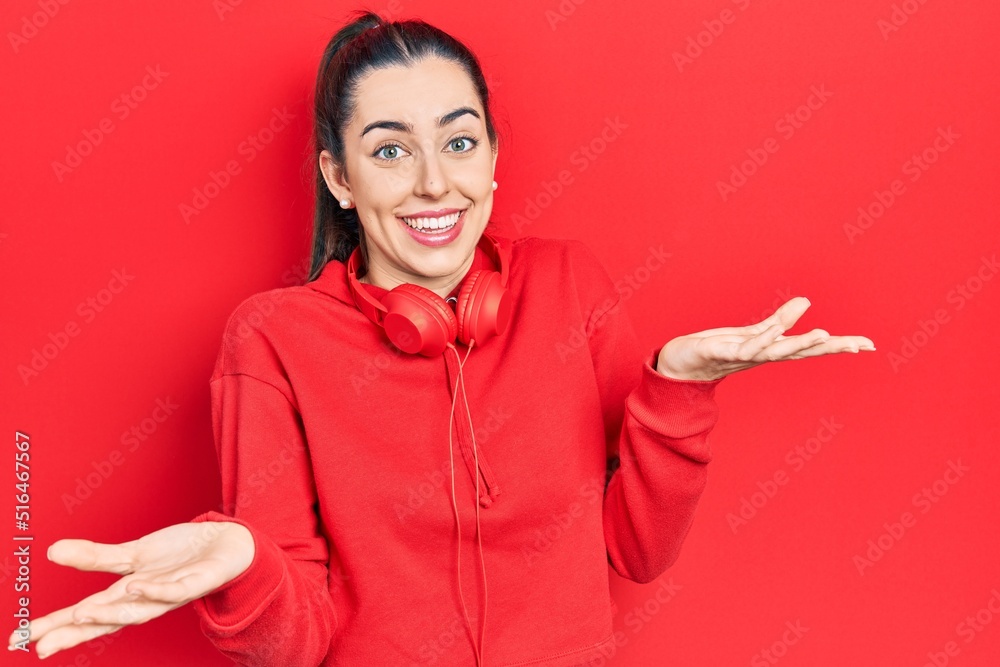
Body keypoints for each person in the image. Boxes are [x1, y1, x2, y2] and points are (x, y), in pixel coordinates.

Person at [7, 10, 875, 666]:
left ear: (493, 159)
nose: (434, 183)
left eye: (459, 142)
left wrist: (680, 389)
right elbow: (296, 638)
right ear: (338, 177)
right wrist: (243, 560)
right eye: (389, 152)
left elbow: (634, 554)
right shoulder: (270, 339)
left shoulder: (569, 287)